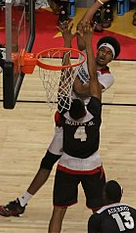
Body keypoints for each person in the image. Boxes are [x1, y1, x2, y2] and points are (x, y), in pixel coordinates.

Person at [0, 0, 121, 218]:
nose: (102, 53)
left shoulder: (106, 78)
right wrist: (96, 3)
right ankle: (22, 202)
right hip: (67, 114)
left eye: (108, 53)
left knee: (76, 162)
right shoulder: (84, 56)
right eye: (101, 49)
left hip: (83, 120)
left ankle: (104, 209)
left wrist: (68, 62)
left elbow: (82, 90)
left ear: (112, 59)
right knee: (51, 162)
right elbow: (83, 29)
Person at [48, 20, 106, 233]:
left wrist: (66, 41)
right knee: (100, 212)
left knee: (58, 211)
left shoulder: (63, 114)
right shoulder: (94, 113)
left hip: (67, 165)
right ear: (84, 107)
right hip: (92, 165)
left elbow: (65, 76)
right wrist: (89, 43)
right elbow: (93, 76)